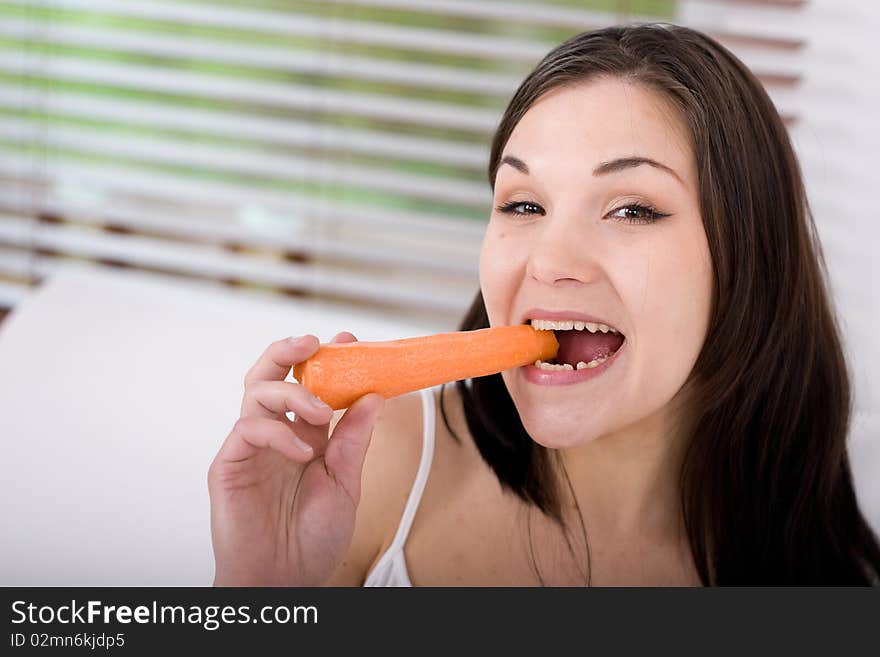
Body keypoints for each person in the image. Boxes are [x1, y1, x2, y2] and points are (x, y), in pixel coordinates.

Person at [208, 23, 880, 586]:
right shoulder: (371, 467)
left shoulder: (822, 564)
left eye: (632, 209)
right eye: (523, 204)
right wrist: (260, 591)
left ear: (747, 259)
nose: (551, 261)